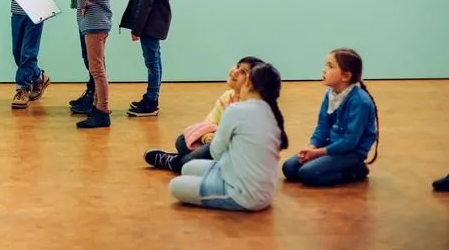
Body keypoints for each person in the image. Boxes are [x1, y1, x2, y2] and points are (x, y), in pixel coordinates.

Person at [169, 62, 288, 212]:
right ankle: (186, 167)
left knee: (176, 185)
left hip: (244, 194)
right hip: (263, 190)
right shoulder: (273, 115)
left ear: (249, 82)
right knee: (187, 167)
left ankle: (209, 181)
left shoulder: (236, 110)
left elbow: (216, 151)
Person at [143, 56, 264, 173]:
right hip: (216, 143)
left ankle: (175, 162)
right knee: (182, 141)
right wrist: (207, 136)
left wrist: (217, 140)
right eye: (237, 66)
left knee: (196, 157)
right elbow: (210, 123)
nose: (235, 72)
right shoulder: (228, 97)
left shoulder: (254, 107)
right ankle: (194, 161)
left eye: (243, 72)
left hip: (235, 155)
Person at [281, 48, 379, 187]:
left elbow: (350, 142)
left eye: (330, 66)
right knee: (289, 169)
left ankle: (354, 171)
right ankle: (333, 165)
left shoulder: (359, 102)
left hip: (351, 152)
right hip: (331, 146)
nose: (324, 70)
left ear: (346, 76)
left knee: (308, 174)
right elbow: (322, 126)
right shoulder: (329, 94)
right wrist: (311, 147)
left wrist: (316, 153)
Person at [119, 0, 179, 116]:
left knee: (152, 62)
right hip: (155, 23)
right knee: (155, 60)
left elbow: (144, 4)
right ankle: (151, 96)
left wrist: (137, 29)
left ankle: (151, 101)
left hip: (149, 25)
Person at [74, 0, 116, 128]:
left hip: (93, 22)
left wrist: (84, 4)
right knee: (98, 67)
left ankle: (102, 111)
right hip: (103, 21)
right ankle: (100, 106)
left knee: (97, 69)